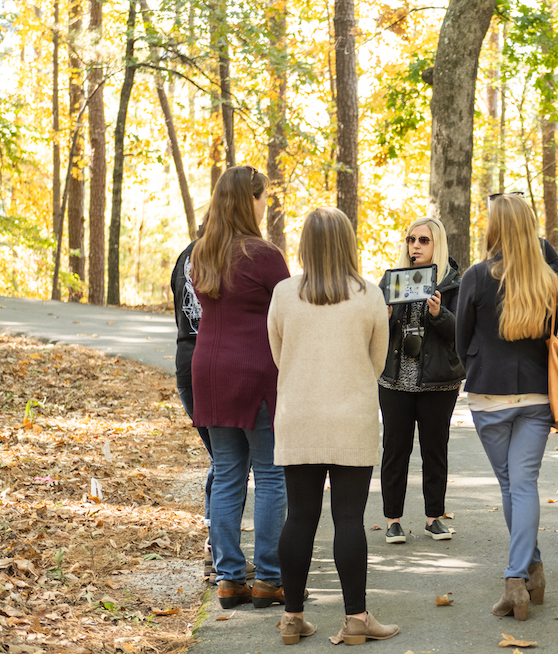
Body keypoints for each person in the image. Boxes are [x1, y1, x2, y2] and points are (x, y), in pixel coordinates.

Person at [268, 207, 398, 645]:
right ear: (348, 242)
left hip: (298, 417)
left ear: (305, 244)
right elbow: (377, 361)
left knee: (299, 517)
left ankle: (292, 618)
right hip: (352, 417)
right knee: (349, 518)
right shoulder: (370, 294)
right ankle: (357, 619)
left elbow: (278, 353)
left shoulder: (284, 294)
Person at [456, 193, 558, 622]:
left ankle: (516, 579)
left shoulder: (476, 277)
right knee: (524, 485)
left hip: (490, 395)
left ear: (494, 228)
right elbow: (553, 333)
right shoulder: (547, 280)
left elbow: (461, 338)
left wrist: (477, 367)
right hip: (537, 395)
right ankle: (530, 570)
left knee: (510, 485)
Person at [190, 165, 290, 610]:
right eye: (262, 196)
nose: (264, 202)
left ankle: (230, 578)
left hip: (209, 371)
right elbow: (291, 311)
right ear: (249, 200)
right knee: (270, 473)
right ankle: (269, 577)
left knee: (228, 474)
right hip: (255, 371)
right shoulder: (263, 255)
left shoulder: (201, 253)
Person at [378, 217, 464, 544]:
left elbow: (462, 335)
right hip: (396, 381)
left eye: (423, 240)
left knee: (435, 450)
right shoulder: (389, 281)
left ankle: (434, 518)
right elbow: (372, 334)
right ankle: (393, 521)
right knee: (395, 451)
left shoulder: (454, 283)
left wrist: (440, 314)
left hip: (438, 382)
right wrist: (383, 318)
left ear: (436, 243)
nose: (415, 246)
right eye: (411, 239)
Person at [170, 220, 218, 576]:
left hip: (186, 368)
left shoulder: (184, 256)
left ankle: (216, 548)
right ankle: (218, 551)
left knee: (223, 458)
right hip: (212, 365)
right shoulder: (222, 257)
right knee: (229, 461)